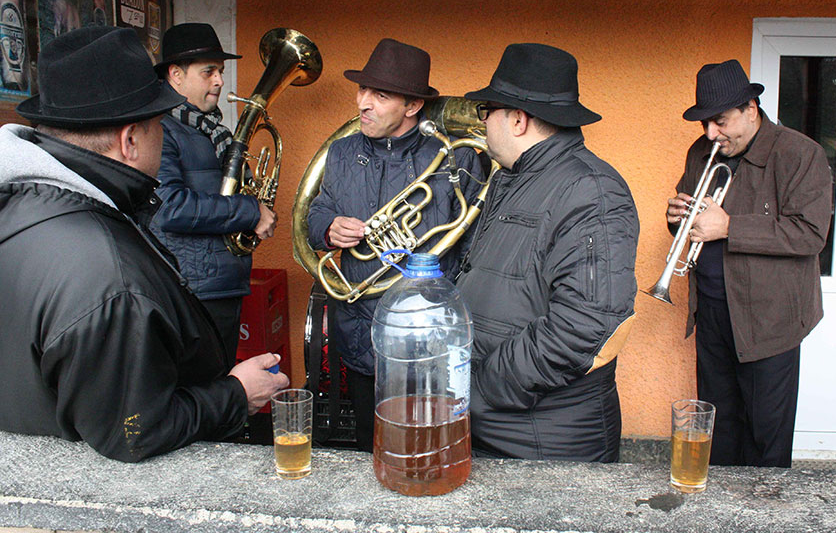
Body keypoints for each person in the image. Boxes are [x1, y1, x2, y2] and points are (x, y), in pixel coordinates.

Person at [0, 27, 288, 463]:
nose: (164, 130)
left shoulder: (18, 205)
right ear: (130, 140)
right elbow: (134, 433)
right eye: (157, 122)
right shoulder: (110, 275)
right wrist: (236, 393)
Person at [457, 43, 639, 462]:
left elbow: (584, 327)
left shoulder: (592, 192)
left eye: (487, 113)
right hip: (500, 427)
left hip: (543, 442)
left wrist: (477, 388)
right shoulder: (513, 179)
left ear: (518, 119)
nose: (483, 125)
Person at [306, 38, 483, 451]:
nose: (363, 103)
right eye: (362, 90)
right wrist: (328, 228)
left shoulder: (455, 159)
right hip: (360, 326)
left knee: (432, 442)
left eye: (380, 95)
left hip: (430, 333)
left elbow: (474, 244)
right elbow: (318, 211)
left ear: (413, 106)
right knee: (375, 443)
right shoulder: (341, 152)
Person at [665, 59, 832, 467]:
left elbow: (810, 233)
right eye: (705, 123)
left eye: (720, 121)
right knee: (718, 430)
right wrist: (678, 220)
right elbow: (697, 224)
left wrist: (730, 227)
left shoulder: (799, 154)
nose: (710, 134)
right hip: (713, 312)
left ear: (751, 110)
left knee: (765, 436)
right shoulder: (701, 151)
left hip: (769, 320)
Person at [150, 23, 277, 366]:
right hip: (191, 289)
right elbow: (170, 209)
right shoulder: (161, 129)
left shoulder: (210, 130)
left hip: (219, 284)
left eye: (219, 71)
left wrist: (255, 204)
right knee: (206, 392)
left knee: (220, 385)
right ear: (175, 75)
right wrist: (251, 211)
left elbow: (234, 193)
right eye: (209, 72)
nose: (220, 81)